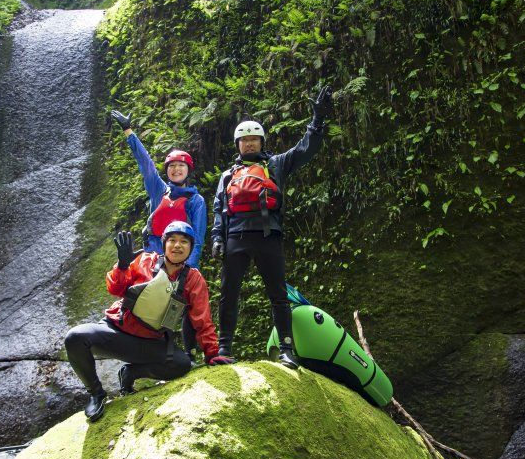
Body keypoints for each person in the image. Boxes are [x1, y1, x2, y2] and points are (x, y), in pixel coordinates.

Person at [211, 86, 334, 370]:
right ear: (237, 145)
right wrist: (217, 238)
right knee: (229, 293)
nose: (250, 144)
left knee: (278, 294)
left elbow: (306, 149)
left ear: (262, 142)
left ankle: (287, 349)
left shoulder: (276, 164)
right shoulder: (227, 175)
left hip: (268, 237)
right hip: (235, 238)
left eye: (254, 139)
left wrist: (317, 121)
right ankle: (224, 347)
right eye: (245, 140)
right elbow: (219, 207)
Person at [64, 221, 234, 422]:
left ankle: (130, 373)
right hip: (116, 332)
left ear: (190, 248)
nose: (177, 245)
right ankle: (96, 392)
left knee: (182, 364)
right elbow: (115, 288)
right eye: (172, 240)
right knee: (75, 337)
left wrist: (212, 353)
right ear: (164, 244)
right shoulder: (145, 260)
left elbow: (202, 319)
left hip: (149, 342)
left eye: (183, 242)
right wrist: (122, 265)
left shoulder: (193, 279)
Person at [110, 109, 207, 357]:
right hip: (153, 256)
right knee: (145, 302)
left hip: (180, 260)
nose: (176, 170)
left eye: (180, 166)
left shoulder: (195, 201)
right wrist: (129, 132)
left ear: (188, 170)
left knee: (182, 304)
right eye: (172, 166)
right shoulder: (158, 191)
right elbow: (146, 164)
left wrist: (189, 269)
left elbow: (198, 235)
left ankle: (189, 352)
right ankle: (144, 349)